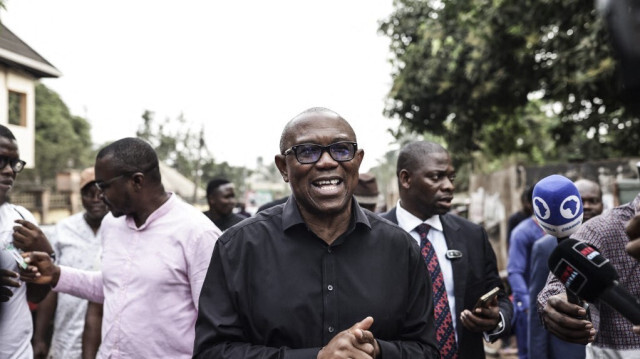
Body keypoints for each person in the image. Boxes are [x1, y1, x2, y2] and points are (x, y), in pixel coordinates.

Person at [193, 107, 439, 358]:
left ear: (358, 160)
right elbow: (211, 352)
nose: (327, 162)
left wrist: (378, 350)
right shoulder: (238, 248)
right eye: (307, 151)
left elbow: (427, 350)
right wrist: (317, 357)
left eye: (341, 149)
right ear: (283, 168)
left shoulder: (400, 248)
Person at [21, 137, 221, 358]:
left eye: (104, 186)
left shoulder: (197, 233)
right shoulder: (112, 224)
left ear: (136, 181)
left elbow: (215, 320)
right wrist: (56, 274)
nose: (100, 195)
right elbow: (112, 286)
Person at [381, 140, 512, 359]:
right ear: (406, 179)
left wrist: (496, 318)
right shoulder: (373, 236)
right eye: (436, 177)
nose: (449, 186)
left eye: (451, 178)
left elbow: (500, 296)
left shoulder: (472, 236)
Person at [537, 191, 640, 357]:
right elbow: (556, 287)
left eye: (593, 201)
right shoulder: (601, 228)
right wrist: (562, 304)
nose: (588, 206)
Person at [32, 167, 109, 359]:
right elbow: (51, 284)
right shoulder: (64, 229)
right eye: (88, 194)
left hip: (107, 336)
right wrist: (40, 337)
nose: (95, 199)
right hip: (66, 335)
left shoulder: (122, 229)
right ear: (80, 196)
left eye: (100, 193)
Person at [528, 179, 603, 359]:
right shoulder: (545, 247)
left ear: (603, 204)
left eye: (593, 201)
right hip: (568, 350)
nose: (588, 206)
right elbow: (538, 311)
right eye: (582, 201)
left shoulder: (618, 240)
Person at [0, 124, 53, 358]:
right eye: (1, 160)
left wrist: (45, 255)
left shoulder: (21, 220)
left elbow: (35, 294)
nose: (10, 171)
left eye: (15, 163)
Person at [507, 184, 546, 359]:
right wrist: (527, 304)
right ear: (532, 204)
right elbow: (515, 271)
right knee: (530, 353)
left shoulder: (566, 229)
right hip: (532, 306)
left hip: (558, 305)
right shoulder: (522, 233)